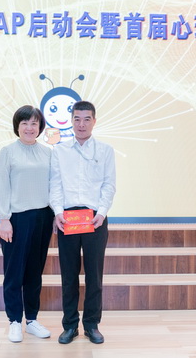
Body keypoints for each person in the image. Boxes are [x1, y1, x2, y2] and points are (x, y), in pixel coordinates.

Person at [49, 100, 116, 345]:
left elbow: (109, 184)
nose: (81, 124)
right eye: (77, 119)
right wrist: (57, 211)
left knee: (94, 276)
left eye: (87, 119)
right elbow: (55, 184)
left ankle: (91, 325)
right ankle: (69, 326)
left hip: (95, 219)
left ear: (94, 121)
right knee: (69, 276)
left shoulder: (105, 150)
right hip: (67, 219)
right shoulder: (60, 151)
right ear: (71, 121)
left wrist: (102, 212)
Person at [0, 105, 54, 343]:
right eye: (25, 123)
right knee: (14, 272)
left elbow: (53, 186)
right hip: (17, 219)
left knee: (34, 272)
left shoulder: (48, 153)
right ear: (17, 126)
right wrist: (4, 219)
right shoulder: (8, 152)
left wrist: (55, 214)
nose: (29, 128)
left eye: (34, 123)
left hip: (43, 217)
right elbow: (1, 186)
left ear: (40, 127)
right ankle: (14, 322)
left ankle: (31, 320)